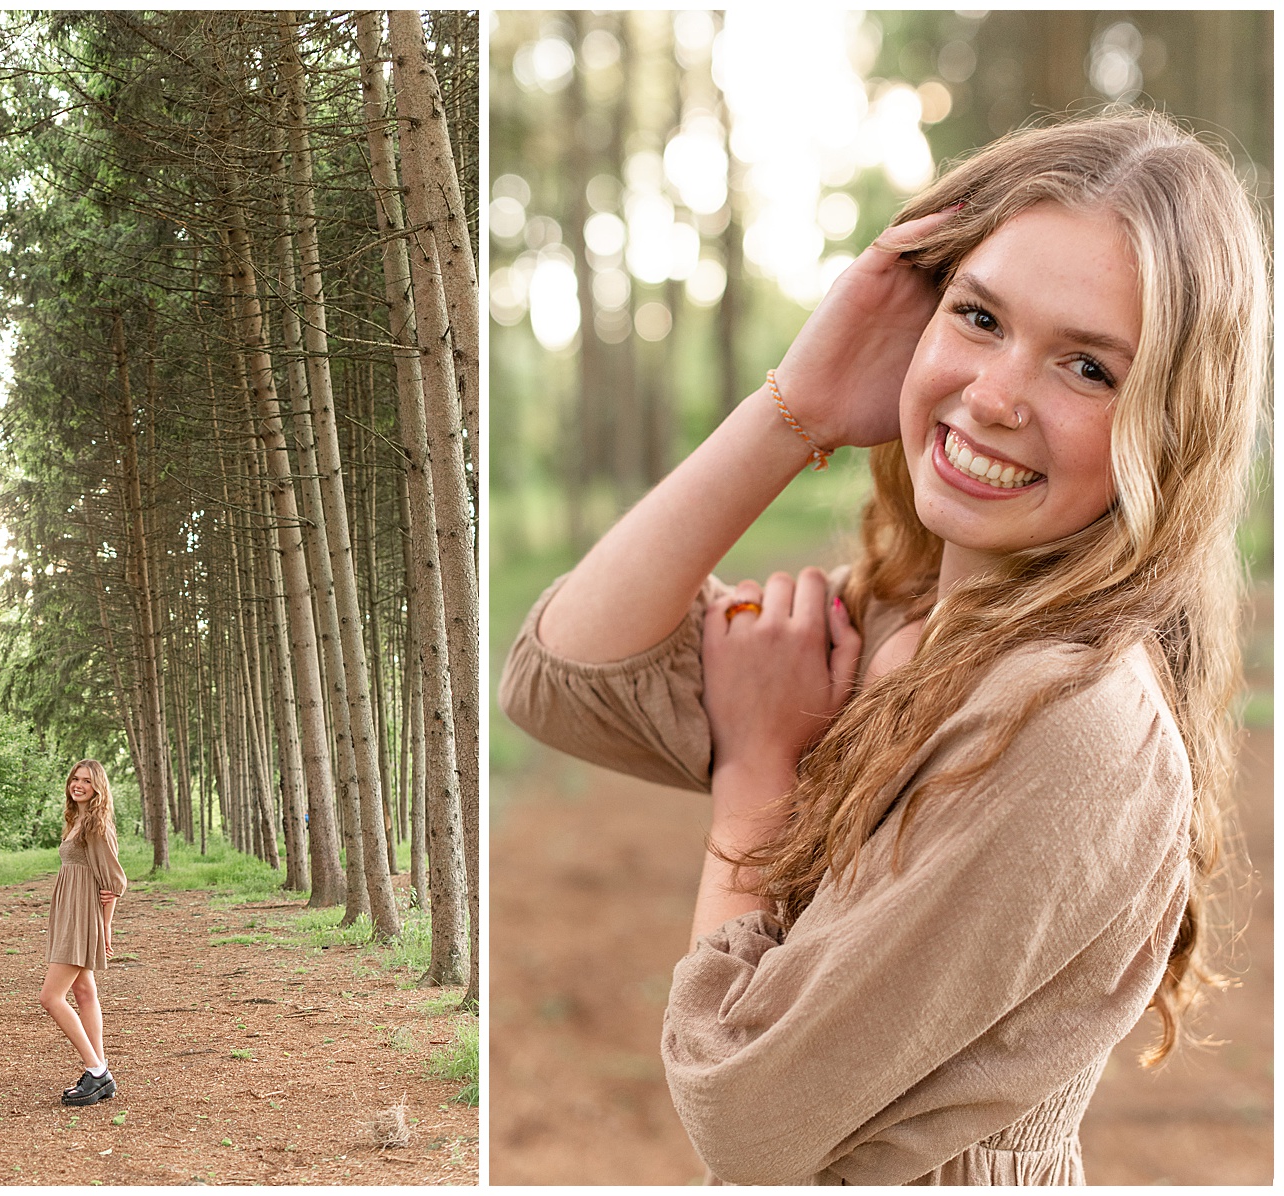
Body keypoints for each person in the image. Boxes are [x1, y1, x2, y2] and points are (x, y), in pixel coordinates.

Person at [499, 111, 1267, 1184]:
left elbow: (745, 1115)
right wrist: (798, 406)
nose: (995, 394)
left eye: (1087, 368)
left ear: (1171, 426)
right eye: (979, 315)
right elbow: (561, 678)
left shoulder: (1072, 718)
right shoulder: (903, 618)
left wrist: (757, 779)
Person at [40, 758, 129, 1106]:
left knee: (50, 997)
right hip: (70, 910)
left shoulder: (96, 825)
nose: (78, 785)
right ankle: (101, 1071)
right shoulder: (76, 820)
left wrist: (105, 927)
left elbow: (114, 882)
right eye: (75, 779)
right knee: (84, 991)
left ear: (98, 788)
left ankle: (95, 1071)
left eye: (87, 782)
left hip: (82, 915)